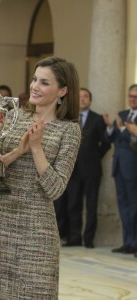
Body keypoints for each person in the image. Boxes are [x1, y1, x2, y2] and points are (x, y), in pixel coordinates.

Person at [0, 56, 81, 299]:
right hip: (3, 219)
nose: (34, 86)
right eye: (35, 79)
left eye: (44, 82)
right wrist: (17, 151)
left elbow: (56, 189)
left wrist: (35, 148)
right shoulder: (14, 117)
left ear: (62, 90)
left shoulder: (69, 130)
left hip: (38, 229)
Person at [63, 87, 111, 248]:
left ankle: (88, 239)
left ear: (90, 100)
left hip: (91, 169)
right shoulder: (69, 119)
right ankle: (74, 237)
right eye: (80, 96)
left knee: (91, 205)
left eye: (85, 97)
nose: (82, 99)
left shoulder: (98, 119)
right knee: (73, 204)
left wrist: (96, 156)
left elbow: (105, 142)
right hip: (73, 169)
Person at [103, 84, 137, 255]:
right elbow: (111, 139)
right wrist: (110, 127)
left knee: (134, 206)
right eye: (130, 96)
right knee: (123, 206)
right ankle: (127, 242)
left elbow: (132, 140)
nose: (132, 99)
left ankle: (135, 243)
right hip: (118, 167)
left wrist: (125, 129)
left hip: (133, 167)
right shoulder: (122, 115)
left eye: (135, 97)